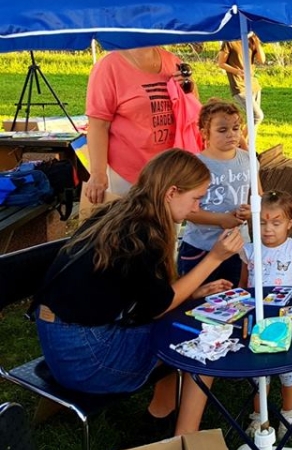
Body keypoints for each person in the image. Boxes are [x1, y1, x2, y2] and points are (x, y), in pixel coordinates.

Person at [34, 148, 245, 435]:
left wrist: (192, 292)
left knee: (183, 318)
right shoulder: (141, 235)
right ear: (171, 192)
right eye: (196, 198)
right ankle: (183, 437)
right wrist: (215, 258)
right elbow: (159, 307)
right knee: (204, 337)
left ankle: (161, 413)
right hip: (86, 357)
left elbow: (147, 297)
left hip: (62, 341)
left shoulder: (122, 213)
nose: (197, 208)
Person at [239, 189, 292, 438]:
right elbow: (243, 286)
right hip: (257, 320)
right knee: (259, 370)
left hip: (285, 321)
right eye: (262, 222)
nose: (268, 229)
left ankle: (288, 412)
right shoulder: (249, 251)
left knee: (286, 368)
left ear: (290, 223)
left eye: (276, 222)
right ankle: (259, 415)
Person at [84, 46, 194, 207]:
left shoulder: (172, 61)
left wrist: (188, 87)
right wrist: (98, 173)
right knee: (130, 223)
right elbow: (98, 125)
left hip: (169, 171)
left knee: (168, 223)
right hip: (126, 175)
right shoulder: (109, 67)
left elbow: (190, 110)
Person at [177, 99, 256, 287]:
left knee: (235, 297)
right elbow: (184, 210)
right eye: (222, 130)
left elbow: (259, 196)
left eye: (236, 128)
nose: (231, 134)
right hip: (200, 248)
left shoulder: (249, 160)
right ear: (205, 133)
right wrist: (220, 219)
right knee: (199, 296)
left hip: (238, 248)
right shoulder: (195, 165)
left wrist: (251, 211)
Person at [217, 33, 266, 126]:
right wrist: (237, 71)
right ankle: (242, 136)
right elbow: (221, 63)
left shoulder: (251, 40)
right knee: (258, 116)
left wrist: (257, 42)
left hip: (253, 85)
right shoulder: (229, 41)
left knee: (253, 119)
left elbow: (262, 60)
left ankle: (250, 136)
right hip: (239, 85)